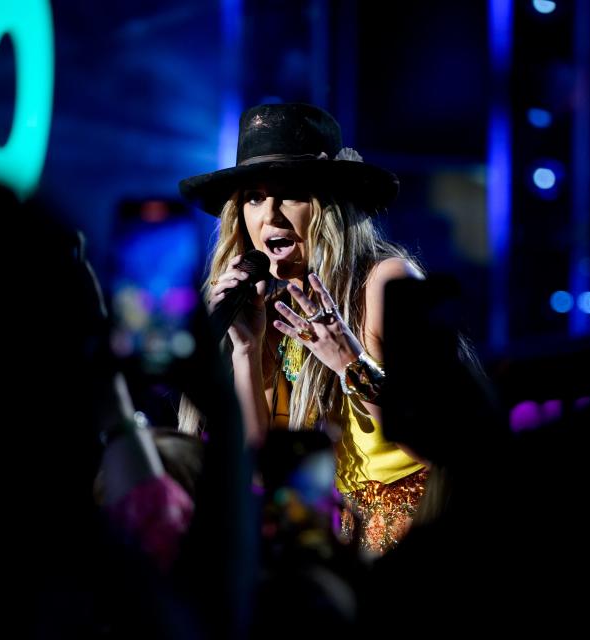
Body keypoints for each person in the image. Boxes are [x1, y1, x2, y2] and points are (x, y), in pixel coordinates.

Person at [177, 103, 428, 554]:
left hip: (416, 541)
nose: (269, 215)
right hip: (334, 547)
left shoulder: (386, 282)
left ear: (328, 207)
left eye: (289, 194)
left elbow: (443, 438)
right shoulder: (269, 310)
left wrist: (351, 363)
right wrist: (245, 350)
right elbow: (261, 472)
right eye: (254, 197)